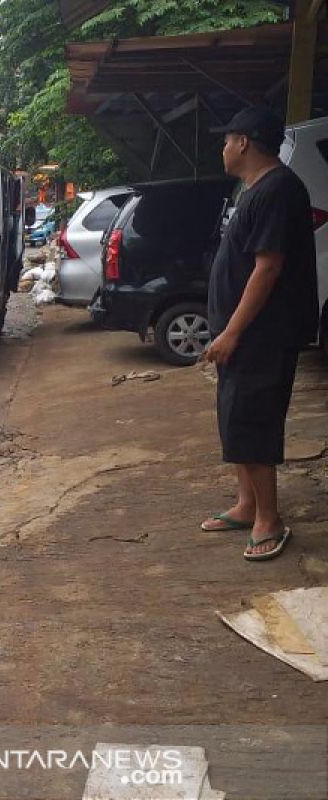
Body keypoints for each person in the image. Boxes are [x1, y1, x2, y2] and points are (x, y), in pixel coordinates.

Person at [199, 106, 318, 562]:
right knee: (235, 417)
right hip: (242, 333)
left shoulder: (278, 190)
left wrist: (231, 332)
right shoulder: (255, 190)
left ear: (244, 142)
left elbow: (268, 269)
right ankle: (247, 505)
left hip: (262, 332)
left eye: (227, 139)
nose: (223, 147)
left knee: (254, 419)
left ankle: (269, 518)